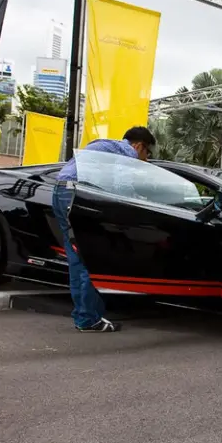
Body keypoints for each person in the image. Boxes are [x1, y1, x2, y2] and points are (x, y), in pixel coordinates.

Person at [52, 126, 156, 332]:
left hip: (60, 192)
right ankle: (88, 318)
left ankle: (83, 316)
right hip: (78, 196)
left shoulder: (106, 145)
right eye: (147, 154)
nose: (146, 160)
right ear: (139, 146)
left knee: (76, 258)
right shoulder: (127, 153)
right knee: (92, 257)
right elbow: (122, 188)